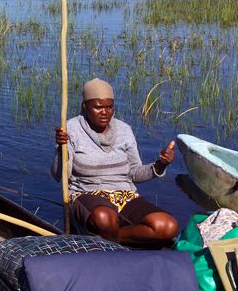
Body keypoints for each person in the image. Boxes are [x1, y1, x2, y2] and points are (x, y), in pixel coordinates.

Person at [52, 77, 179, 247]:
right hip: (86, 194)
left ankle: (112, 240)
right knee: (105, 218)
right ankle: (115, 243)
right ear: (85, 107)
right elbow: (59, 176)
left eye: (109, 107)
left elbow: (134, 173)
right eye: (98, 107)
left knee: (167, 226)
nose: (104, 112)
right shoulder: (70, 130)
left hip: (124, 195)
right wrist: (61, 150)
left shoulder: (124, 130)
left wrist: (160, 165)